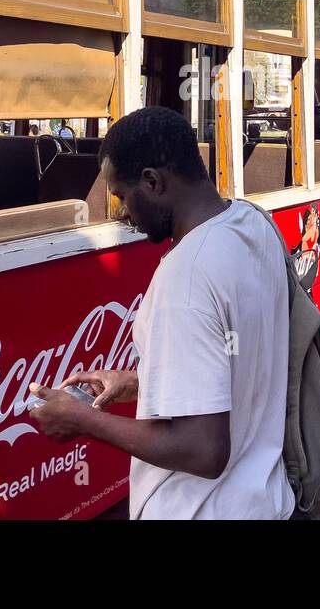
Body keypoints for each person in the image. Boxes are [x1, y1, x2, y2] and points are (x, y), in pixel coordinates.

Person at [28, 106, 294, 520]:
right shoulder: (253, 224)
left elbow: (202, 450)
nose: (122, 213)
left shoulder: (186, 276)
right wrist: (140, 382)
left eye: (121, 195)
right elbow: (237, 364)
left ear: (152, 181)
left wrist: (81, 419)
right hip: (265, 504)